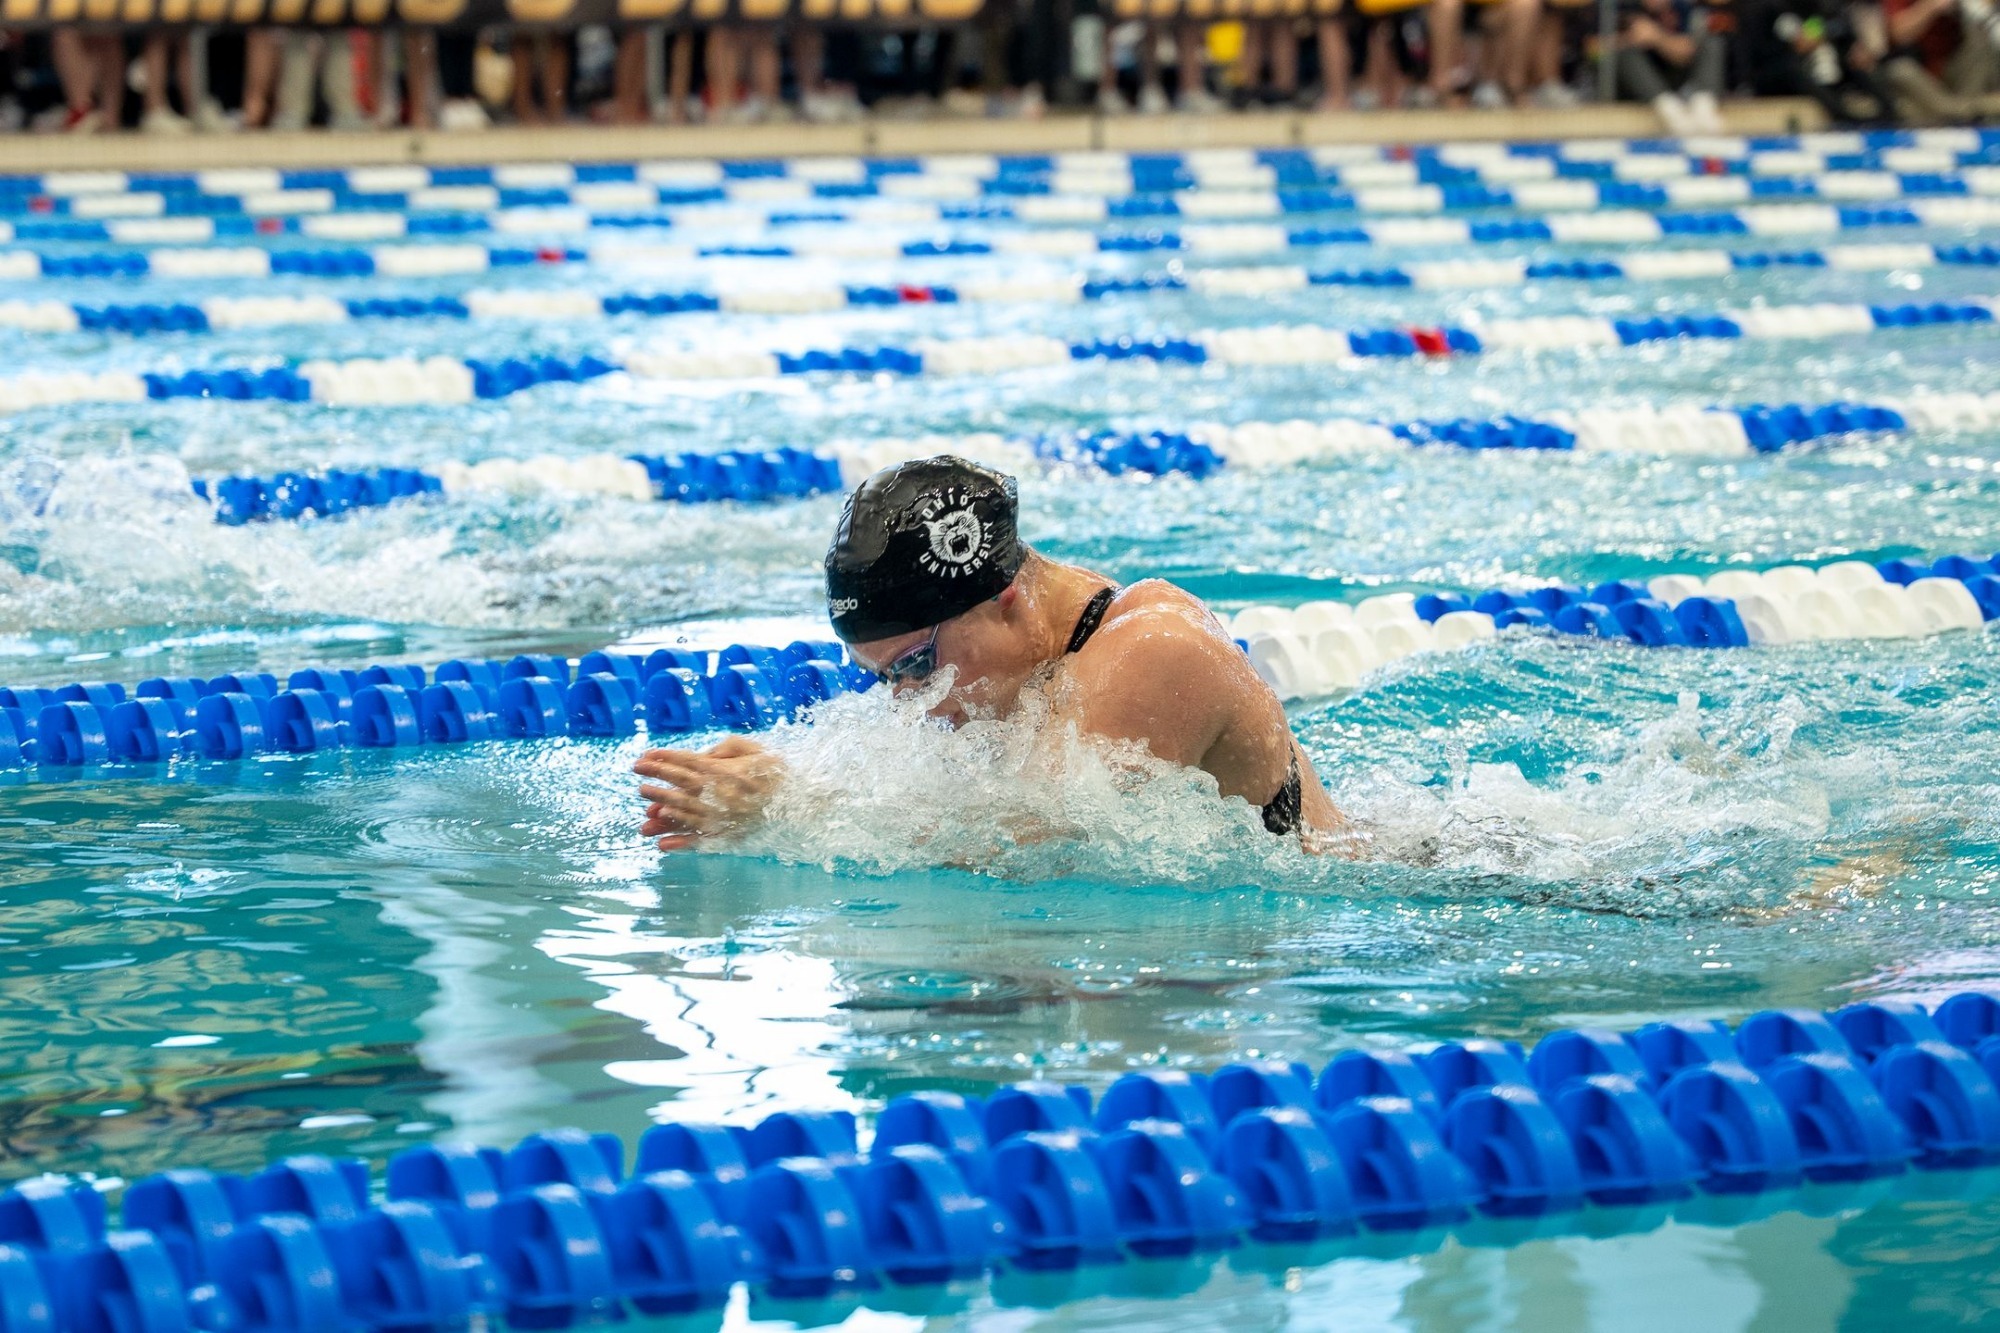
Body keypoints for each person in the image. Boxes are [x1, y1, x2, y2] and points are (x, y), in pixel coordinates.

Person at [634, 458, 1348, 854]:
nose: (911, 704)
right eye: (885, 680)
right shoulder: (1030, 666)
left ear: (1003, 596)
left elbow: (1030, 851)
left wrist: (790, 808)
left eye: (915, 666)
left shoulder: (1152, 653)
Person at [1607, 0, 1729, 132]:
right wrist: (1628, 39)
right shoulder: (1626, 9)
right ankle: (1670, 110)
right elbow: (1596, 49)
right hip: (1644, 88)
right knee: (1625, 54)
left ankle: (1703, 107)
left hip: (1680, 78)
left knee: (1713, 43)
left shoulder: (1683, 8)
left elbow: (1686, 52)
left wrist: (1656, 37)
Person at [1877, 0, 2000, 122]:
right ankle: (1969, 110)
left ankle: (1960, 114)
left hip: (1953, 72)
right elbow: (1898, 34)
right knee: (1900, 70)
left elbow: (1986, 17)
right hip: (1919, 74)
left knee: (1981, 47)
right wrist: (1930, 6)